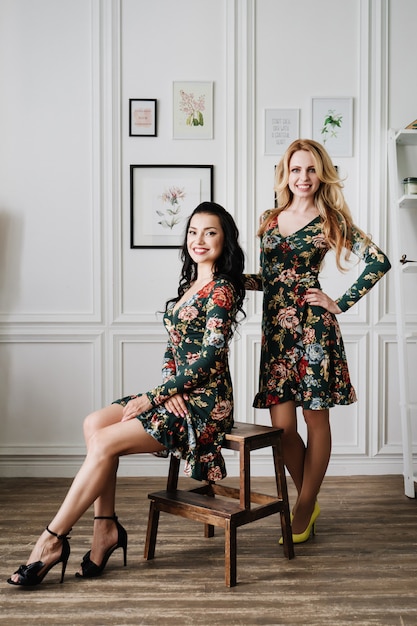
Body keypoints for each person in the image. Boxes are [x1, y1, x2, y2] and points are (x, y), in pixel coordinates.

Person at [8, 201, 246, 587]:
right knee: (93, 424)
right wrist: (167, 390)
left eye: (210, 233)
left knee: (103, 440)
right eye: (192, 232)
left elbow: (211, 359)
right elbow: (174, 348)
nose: (198, 240)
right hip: (178, 392)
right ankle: (105, 529)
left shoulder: (221, 290)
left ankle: (52, 540)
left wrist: (156, 396)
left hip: (205, 403)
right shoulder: (191, 286)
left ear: (225, 240)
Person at [244, 139, 391, 544]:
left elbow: (379, 261)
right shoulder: (269, 219)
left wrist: (338, 302)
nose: (303, 178)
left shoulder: (331, 220)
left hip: (313, 330)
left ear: (320, 173)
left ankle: (304, 506)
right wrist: (232, 280)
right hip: (276, 332)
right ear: (285, 174)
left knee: (315, 419)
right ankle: (310, 497)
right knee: (283, 428)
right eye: (296, 170)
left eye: (311, 170)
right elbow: (270, 279)